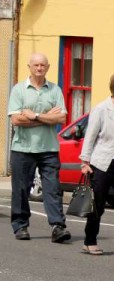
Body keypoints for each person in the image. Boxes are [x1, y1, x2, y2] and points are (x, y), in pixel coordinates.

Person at [8, 53, 71, 243]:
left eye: (43, 65)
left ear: (48, 67)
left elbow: (61, 118)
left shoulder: (54, 90)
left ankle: (57, 226)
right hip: (22, 148)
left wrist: (34, 116)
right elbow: (16, 120)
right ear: (29, 66)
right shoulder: (19, 90)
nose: (39, 68)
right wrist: (46, 118)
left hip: (48, 148)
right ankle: (20, 226)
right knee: (20, 189)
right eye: (36, 65)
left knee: (52, 188)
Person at [79, 71, 114, 255]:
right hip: (102, 163)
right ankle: (90, 240)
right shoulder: (102, 109)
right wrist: (84, 162)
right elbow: (90, 136)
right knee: (98, 204)